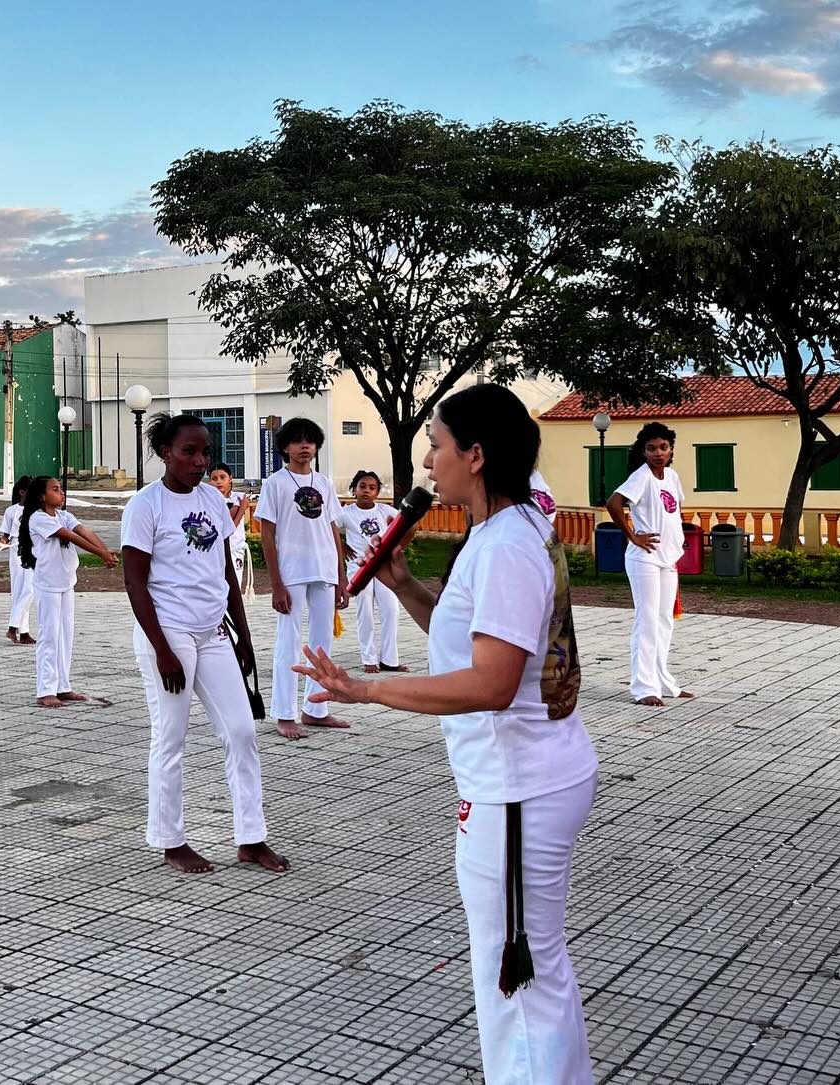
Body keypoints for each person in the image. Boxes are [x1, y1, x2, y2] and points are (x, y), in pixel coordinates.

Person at [294, 383, 596, 1085]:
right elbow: (471, 643)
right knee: (532, 965)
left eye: (436, 444)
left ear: (477, 455)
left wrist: (366, 689)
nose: (428, 461)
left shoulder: (507, 545)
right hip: (522, 778)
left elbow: (491, 683)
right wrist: (404, 584)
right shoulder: (502, 530)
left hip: (518, 786)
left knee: (515, 975)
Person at [123, 416, 287, 875]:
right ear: (165, 453)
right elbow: (134, 582)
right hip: (168, 633)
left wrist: (244, 635)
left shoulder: (213, 500)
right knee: (170, 737)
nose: (199, 462)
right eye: (189, 452)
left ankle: (251, 838)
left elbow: (226, 571)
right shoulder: (145, 506)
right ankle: (171, 841)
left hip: (213, 632)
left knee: (241, 731)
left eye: (205, 453)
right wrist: (162, 649)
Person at [255, 417, 349, 739]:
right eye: (297, 441)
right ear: (285, 447)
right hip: (291, 572)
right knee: (289, 643)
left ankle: (315, 709)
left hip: (324, 570)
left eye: (310, 441)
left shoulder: (324, 483)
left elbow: (333, 530)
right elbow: (267, 534)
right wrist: (276, 584)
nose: (304, 446)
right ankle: (284, 713)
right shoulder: (275, 484)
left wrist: (341, 577)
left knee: (323, 643)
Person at [607, 423, 693, 707]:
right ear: (643, 452)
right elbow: (613, 503)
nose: (658, 453)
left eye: (663, 447)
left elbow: (675, 511)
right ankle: (644, 687)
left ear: (671, 450)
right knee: (647, 621)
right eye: (652, 448)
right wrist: (632, 535)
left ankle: (664, 682)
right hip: (644, 558)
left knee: (664, 620)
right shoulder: (641, 476)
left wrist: (678, 538)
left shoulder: (672, 477)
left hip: (667, 558)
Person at [19, 475, 117, 708]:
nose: (61, 492)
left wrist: (106, 552)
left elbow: (84, 531)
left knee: (65, 636)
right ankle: (45, 690)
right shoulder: (38, 518)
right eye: (55, 489)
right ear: (42, 496)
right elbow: (69, 536)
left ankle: (62, 686)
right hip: (48, 585)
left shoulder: (64, 515)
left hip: (66, 583)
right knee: (49, 636)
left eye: (61, 489)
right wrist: (100, 554)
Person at [338, 470, 408, 675]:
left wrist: (396, 547)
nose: (366, 491)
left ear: (377, 492)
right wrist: (341, 545)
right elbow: (327, 528)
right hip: (359, 566)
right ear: (354, 489)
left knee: (391, 610)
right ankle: (368, 659)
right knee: (366, 611)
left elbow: (406, 526)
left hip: (384, 566)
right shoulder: (346, 513)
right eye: (362, 486)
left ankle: (390, 660)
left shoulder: (387, 511)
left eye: (372, 488)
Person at [0, 475, 36, 644]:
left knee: (30, 588)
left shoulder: (37, 511)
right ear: (22, 492)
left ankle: (13, 626)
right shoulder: (11, 511)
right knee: (18, 589)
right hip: (15, 549)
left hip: (33, 548)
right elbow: (5, 535)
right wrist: (2, 541)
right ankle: (24, 631)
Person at [209, 462, 253, 596]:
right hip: (215, 551)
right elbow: (228, 528)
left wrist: (240, 507)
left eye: (222, 477)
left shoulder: (238, 497)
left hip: (235, 548)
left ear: (230, 478)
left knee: (234, 588)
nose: (218, 481)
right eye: (214, 478)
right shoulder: (209, 501)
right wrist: (241, 509)